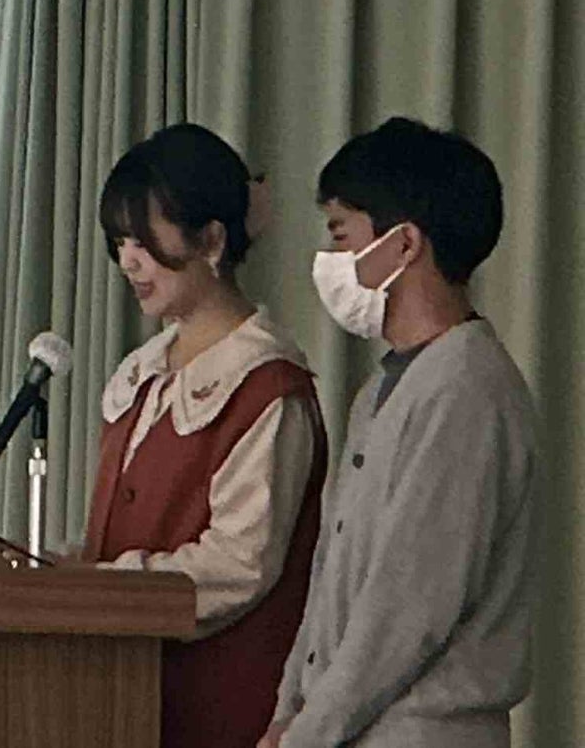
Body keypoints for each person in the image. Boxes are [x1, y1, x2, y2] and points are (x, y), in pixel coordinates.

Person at [263, 119, 536, 748]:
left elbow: (408, 608)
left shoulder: (467, 390)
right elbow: (333, 578)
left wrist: (308, 733)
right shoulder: (383, 390)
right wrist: (288, 710)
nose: (329, 259)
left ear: (404, 243)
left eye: (341, 234)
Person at [82, 124, 327, 748]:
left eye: (144, 240)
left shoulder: (266, 385)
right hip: (122, 695)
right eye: (120, 242)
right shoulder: (141, 377)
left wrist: (101, 587)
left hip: (220, 707)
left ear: (212, 240)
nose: (128, 261)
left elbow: (239, 564)